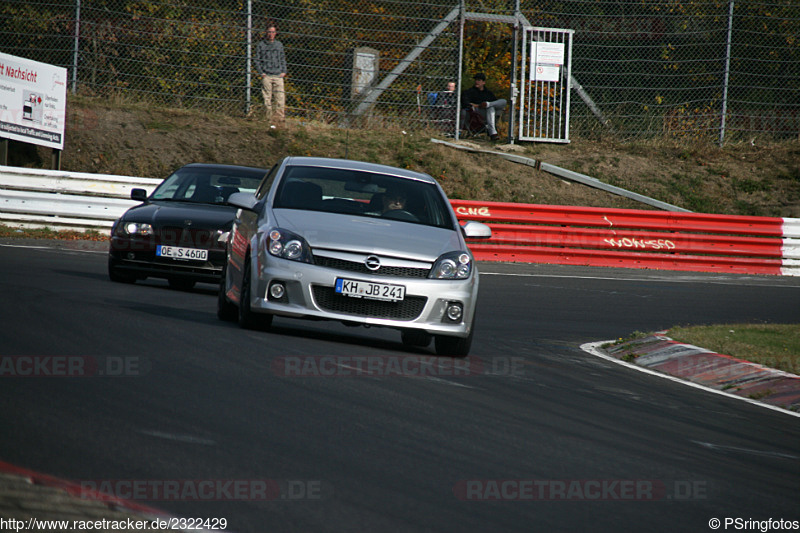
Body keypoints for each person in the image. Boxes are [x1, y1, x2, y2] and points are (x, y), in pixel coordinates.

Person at [255, 20, 287, 126]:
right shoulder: (261, 45)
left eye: (273, 32)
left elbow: (282, 58)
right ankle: (268, 119)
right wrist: (261, 73)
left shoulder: (279, 45)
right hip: (267, 75)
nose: (271, 34)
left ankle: (279, 119)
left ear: (276, 33)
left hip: (278, 75)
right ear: (266, 32)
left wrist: (284, 71)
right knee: (267, 98)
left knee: (280, 98)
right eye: (269, 32)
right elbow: (257, 60)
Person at [461, 73, 506, 141]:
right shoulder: (469, 92)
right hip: (476, 112)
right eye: (476, 80)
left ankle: (488, 104)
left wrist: (487, 105)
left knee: (503, 101)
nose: (477, 82)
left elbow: (496, 103)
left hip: (489, 114)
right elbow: (466, 103)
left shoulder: (488, 93)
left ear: (484, 82)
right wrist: (479, 105)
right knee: (491, 108)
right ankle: (492, 133)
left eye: (479, 80)